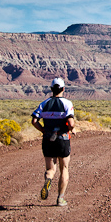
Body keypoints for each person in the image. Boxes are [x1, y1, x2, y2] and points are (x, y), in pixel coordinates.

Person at [31, 78, 75, 206]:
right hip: (63, 139)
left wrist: (43, 130)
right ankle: (60, 198)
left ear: (51, 89)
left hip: (48, 139)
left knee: (50, 169)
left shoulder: (44, 103)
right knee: (64, 168)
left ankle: (48, 179)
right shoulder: (67, 103)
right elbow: (71, 122)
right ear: (63, 89)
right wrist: (71, 129)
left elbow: (34, 121)